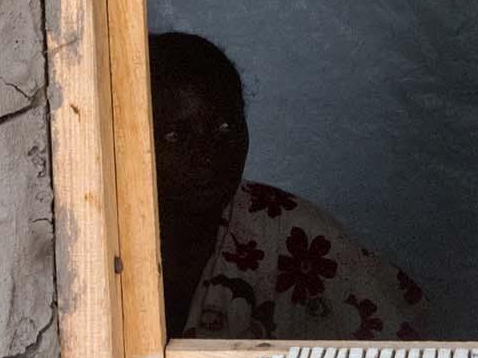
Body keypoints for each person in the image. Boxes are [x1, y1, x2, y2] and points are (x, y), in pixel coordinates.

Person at [150, 31, 426, 340]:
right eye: (176, 136)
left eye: (225, 128)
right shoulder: (94, 246)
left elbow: (409, 357)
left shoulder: (293, 237)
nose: (207, 156)